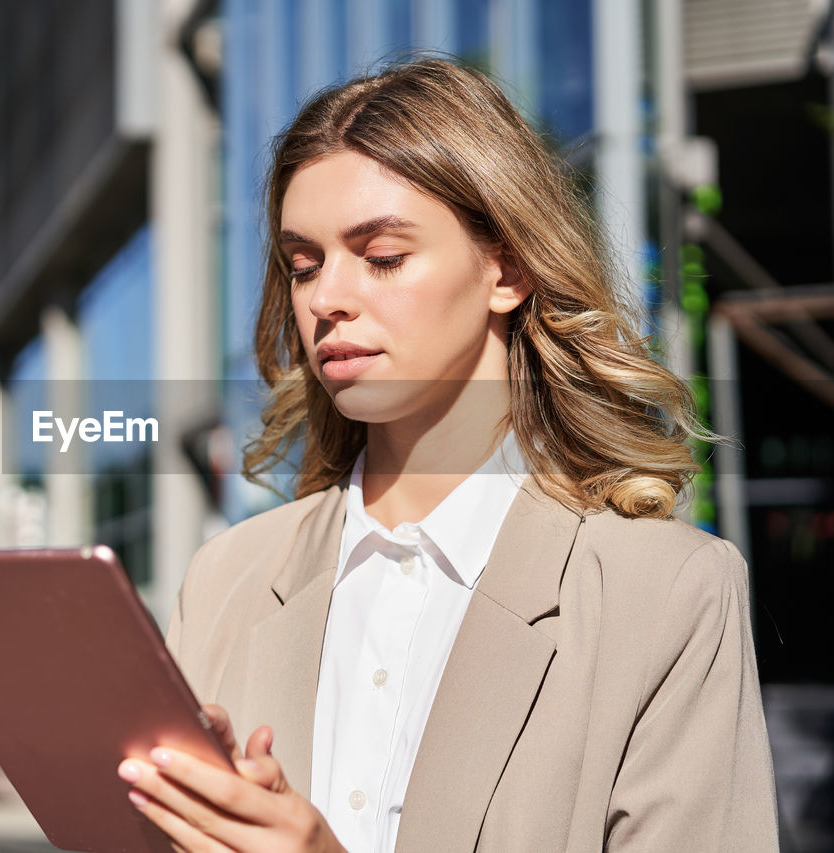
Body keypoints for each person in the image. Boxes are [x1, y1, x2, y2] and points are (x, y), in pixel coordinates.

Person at [117, 57, 779, 852]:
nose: (326, 297)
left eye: (383, 255)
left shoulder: (667, 593)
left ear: (508, 268)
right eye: (304, 264)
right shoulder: (225, 581)